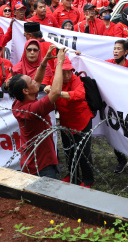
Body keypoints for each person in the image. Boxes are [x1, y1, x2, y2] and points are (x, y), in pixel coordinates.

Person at [7, 47, 66, 177]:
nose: (35, 81)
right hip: (41, 165)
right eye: (31, 81)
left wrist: (44, 61)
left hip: (34, 160)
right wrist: (59, 62)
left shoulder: (19, 102)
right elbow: (55, 92)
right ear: (26, 91)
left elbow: (38, 80)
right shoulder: (32, 109)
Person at [44, 57, 95, 187]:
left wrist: (58, 93)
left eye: (69, 71)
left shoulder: (76, 79)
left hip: (81, 120)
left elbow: (79, 95)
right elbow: (44, 84)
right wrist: (47, 87)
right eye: (63, 71)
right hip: (66, 121)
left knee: (83, 151)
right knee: (68, 150)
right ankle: (73, 175)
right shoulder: (54, 81)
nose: (67, 75)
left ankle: (89, 179)